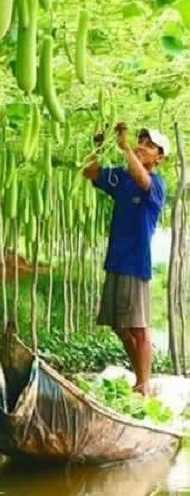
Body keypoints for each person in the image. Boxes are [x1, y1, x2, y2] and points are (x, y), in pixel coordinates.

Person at [84, 124, 169, 396]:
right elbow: (91, 172)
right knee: (119, 327)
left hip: (136, 263)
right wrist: (98, 147)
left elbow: (143, 180)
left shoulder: (156, 184)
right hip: (116, 261)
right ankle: (140, 379)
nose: (142, 145)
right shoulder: (123, 177)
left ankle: (144, 385)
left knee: (138, 327)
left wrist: (124, 148)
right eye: (141, 140)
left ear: (159, 157)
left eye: (150, 144)